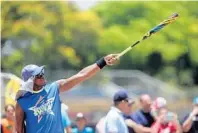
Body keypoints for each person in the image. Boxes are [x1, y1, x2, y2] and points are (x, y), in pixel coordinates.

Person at [15, 54, 118, 133]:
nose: (42, 75)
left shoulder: (54, 88)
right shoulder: (22, 102)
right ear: (30, 81)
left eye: (42, 73)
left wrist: (102, 62)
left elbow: (82, 75)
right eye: (38, 75)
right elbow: (19, 130)